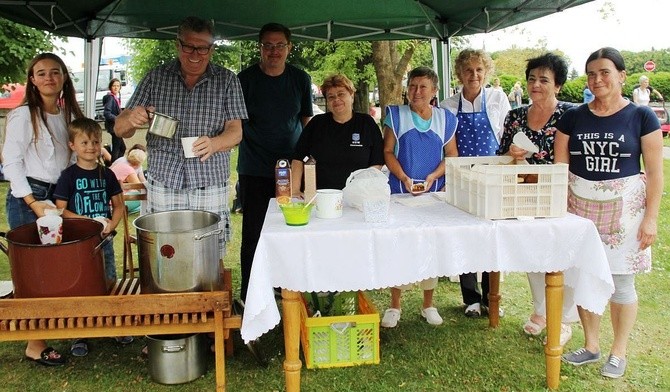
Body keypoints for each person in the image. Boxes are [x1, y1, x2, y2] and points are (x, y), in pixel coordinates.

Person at [556, 47, 663, 379]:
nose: (597, 79)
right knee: (583, 277)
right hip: (578, 211)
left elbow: (655, 173)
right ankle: (590, 346)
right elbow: (560, 169)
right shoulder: (572, 117)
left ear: (621, 76)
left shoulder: (642, 117)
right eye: (591, 73)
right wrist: (557, 213)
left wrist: (651, 218)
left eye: (604, 72)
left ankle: (618, 351)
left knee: (621, 283)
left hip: (625, 215)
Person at [114, 16, 247, 263]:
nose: (195, 54)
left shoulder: (227, 80)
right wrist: (131, 118)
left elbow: (235, 131)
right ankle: (169, 300)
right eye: (189, 47)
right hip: (165, 180)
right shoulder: (156, 77)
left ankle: (207, 299)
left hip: (208, 180)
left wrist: (215, 143)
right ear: (178, 45)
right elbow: (120, 128)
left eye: (203, 48)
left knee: (208, 252)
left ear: (212, 49)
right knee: (166, 252)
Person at [1, 52, 84, 366]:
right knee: (34, 272)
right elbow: (11, 163)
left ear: (63, 77)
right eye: (41, 73)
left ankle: (77, 326)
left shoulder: (68, 114)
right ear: (32, 80)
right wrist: (34, 203)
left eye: (55, 72)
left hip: (61, 195)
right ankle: (35, 344)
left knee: (64, 265)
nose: (49, 78)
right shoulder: (23, 115)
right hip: (30, 197)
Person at [496, 53, 578, 346]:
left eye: (544, 79)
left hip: (559, 195)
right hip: (524, 195)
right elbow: (501, 155)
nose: (536, 85)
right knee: (533, 253)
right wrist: (511, 155)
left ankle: (564, 319)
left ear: (558, 85)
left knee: (561, 257)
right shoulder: (515, 115)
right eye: (532, 79)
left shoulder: (571, 114)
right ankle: (542, 311)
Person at [237, 22, 313, 303]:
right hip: (254, 169)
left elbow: (307, 123)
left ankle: (289, 288)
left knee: (291, 231)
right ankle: (251, 294)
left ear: (288, 48)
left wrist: (308, 163)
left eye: (279, 45)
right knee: (254, 235)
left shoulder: (300, 79)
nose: (274, 51)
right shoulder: (244, 80)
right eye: (268, 45)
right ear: (260, 47)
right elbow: (235, 125)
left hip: (291, 172)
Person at [380, 66, 458, 328]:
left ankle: (428, 304)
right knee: (398, 245)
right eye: (412, 86)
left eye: (423, 87)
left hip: (433, 194)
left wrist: (434, 176)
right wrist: (402, 177)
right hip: (400, 191)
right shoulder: (396, 115)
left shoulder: (445, 119)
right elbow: (388, 151)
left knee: (430, 246)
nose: (416, 92)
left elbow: (452, 157)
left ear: (434, 91)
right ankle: (394, 305)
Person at [440, 48, 511, 318]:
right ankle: (470, 298)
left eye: (479, 69)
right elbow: (448, 146)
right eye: (468, 70)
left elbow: (506, 136)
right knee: (465, 236)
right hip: (463, 176)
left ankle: (492, 297)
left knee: (491, 237)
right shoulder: (448, 105)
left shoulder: (497, 98)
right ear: (459, 73)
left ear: (486, 72)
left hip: (493, 175)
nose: (474, 75)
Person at [53, 117, 131, 356]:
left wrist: (110, 226)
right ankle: (80, 334)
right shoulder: (68, 176)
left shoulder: (106, 175)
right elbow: (60, 209)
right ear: (72, 145)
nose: (91, 147)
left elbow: (118, 205)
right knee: (80, 287)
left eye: (96, 142)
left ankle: (115, 326)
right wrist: (88, 222)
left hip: (103, 241)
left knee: (109, 282)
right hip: (76, 244)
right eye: (84, 142)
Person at [290, 74, 384, 192]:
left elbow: (377, 162)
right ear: (327, 102)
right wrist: (294, 191)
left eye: (341, 94)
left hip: (357, 196)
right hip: (320, 196)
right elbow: (298, 158)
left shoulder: (366, 123)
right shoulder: (317, 123)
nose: (336, 100)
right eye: (331, 97)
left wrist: (363, 190)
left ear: (352, 96)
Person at [111, 148, 147, 214]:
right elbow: (140, 188)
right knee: (143, 194)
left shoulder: (120, 165)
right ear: (139, 163)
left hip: (111, 199)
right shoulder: (129, 171)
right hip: (115, 202)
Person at [102, 78, 126, 161]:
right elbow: (107, 113)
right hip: (114, 127)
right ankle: (114, 166)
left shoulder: (115, 98)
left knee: (122, 148)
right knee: (117, 148)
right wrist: (118, 119)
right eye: (114, 86)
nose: (116, 88)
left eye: (118, 86)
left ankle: (116, 165)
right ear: (110, 87)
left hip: (115, 127)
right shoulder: (111, 98)